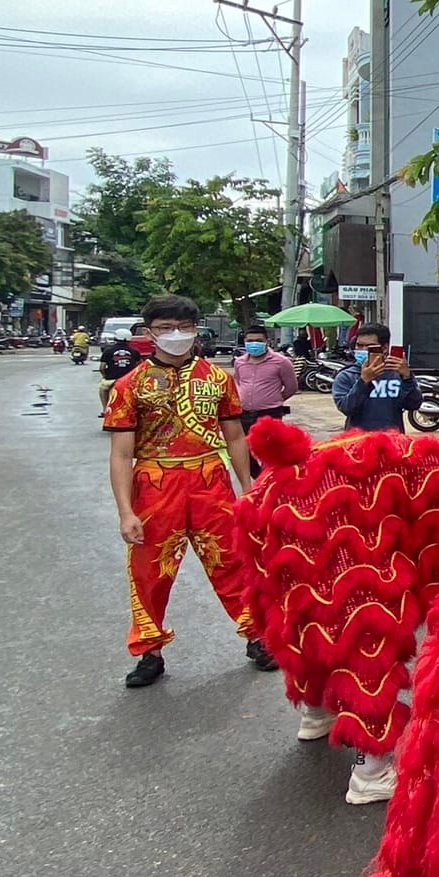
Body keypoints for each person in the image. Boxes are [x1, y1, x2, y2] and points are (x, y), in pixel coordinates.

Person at [104, 294, 275, 687]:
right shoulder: (130, 386)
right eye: (165, 329)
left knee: (234, 561)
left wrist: (248, 485)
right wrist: (125, 511)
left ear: (197, 331)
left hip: (210, 481)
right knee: (150, 571)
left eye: (184, 328)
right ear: (149, 333)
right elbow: (121, 453)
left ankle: (257, 636)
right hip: (154, 484)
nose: (176, 335)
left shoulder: (218, 379)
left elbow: (234, 437)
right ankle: (149, 651)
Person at [231, 321, 298, 477]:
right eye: (249, 341)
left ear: (267, 342)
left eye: (259, 341)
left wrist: (275, 400)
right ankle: (260, 477)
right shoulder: (239, 362)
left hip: (270, 413)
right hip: (244, 412)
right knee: (243, 449)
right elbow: (239, 382)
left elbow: (291, 387)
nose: (254, 344)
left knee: (270, 451)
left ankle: (272, 480)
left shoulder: (281, 362)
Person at [331, 322, 421, 433]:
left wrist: (407, 378)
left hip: (392, 442)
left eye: (369, 346)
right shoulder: (347, 375)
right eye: (359, 345)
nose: (362, 350)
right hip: (358, 443)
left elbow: (414, 404)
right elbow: (347, 408)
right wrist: (363, 382)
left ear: (384, 348)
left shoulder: (396, 373)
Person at [97, 322, 149, 414]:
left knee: (103, 389)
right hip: (129, 380)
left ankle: (105, 409)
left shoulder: (108, 351)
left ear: (116, 338)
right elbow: (139, 366)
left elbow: (102, 367)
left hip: (111, 379)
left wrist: (105, 376)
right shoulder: (134, 351)